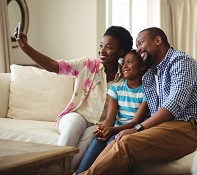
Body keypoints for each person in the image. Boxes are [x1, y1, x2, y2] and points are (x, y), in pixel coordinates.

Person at [80, 27, 197, 175]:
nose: (138, 49)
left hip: (194, 127)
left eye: (141, 43)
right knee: (117, 141)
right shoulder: (151, 73)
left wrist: (137, 128)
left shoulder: (181, 61)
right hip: (170, 126)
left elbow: (173, 106)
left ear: (157, 40)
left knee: (127, 144)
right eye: (137, 46)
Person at [14, 26, 133, 170]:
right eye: (101, 45)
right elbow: (53, 66)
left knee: (91, 136)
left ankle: (57, 171)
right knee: (74, 125)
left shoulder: (126, 77)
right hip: (77, 115)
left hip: (100, 124)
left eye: (109, 47)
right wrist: (26, 47)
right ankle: (54, 168)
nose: (102, 50)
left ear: (120, 51)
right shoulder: (87, 65)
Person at [77, 50, 150, 173]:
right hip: (115, 129)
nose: (125, 66)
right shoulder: (115, 88)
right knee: (97, 141)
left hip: (132, 131)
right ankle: (80, 172)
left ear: (142, 66)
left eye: (130, 62)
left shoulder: (147, 91)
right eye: (124, 63)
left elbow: (136, 121)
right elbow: (110, 119)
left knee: (112, 142)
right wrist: (103, 130)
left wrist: (112, 131)